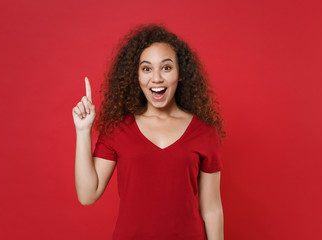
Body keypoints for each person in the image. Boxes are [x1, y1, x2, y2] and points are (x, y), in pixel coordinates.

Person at [72, 24, 226, 240]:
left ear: (180, 74)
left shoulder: (204, 132)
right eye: (146, 68)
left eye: (166, 67)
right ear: (136, 76)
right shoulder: (118, 128)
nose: (156, 78)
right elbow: (87, 195)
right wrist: (83, 130)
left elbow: (211, 209)